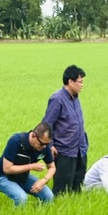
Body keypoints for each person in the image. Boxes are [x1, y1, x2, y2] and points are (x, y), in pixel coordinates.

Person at [41, 65, 87, 194]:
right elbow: (47, 123)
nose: (82, 85)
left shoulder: (76, 98)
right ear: (70, 82)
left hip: (79, 149)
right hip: (64, 150)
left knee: (77, 186)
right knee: (62, 189)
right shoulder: (57, 99)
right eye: (80, 82)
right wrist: (49, 145)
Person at [0, 122, 56, 206]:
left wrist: (44, 180)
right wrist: (31, 166)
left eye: (47, 144)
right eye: (42, 144)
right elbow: (7, 169)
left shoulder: (44, 147)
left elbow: (52, 167)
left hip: (22, 177)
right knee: (21, 198)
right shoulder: (16, 141)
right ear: (33, 135)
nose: (44, 147)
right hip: (3, 177)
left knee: (48, 196)